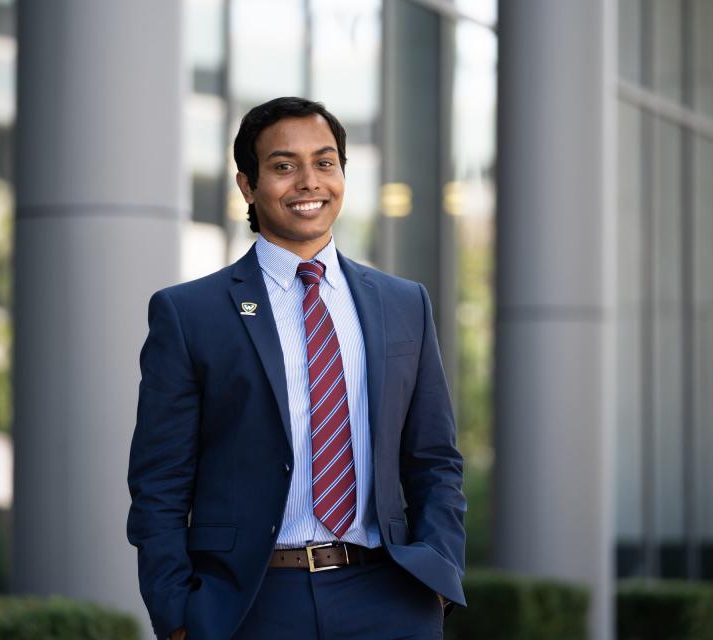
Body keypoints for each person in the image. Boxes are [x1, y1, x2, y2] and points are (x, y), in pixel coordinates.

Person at [127, 96, 466, 640]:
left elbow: (434, 459)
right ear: (248, 185)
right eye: (284, 166)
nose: (309, 182)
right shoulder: (190, 313)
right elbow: (159, 482)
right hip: (251, 602)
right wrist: (176, 616)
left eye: (325, 163)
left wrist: (439, 574)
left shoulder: (404, 303)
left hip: (389, 596)